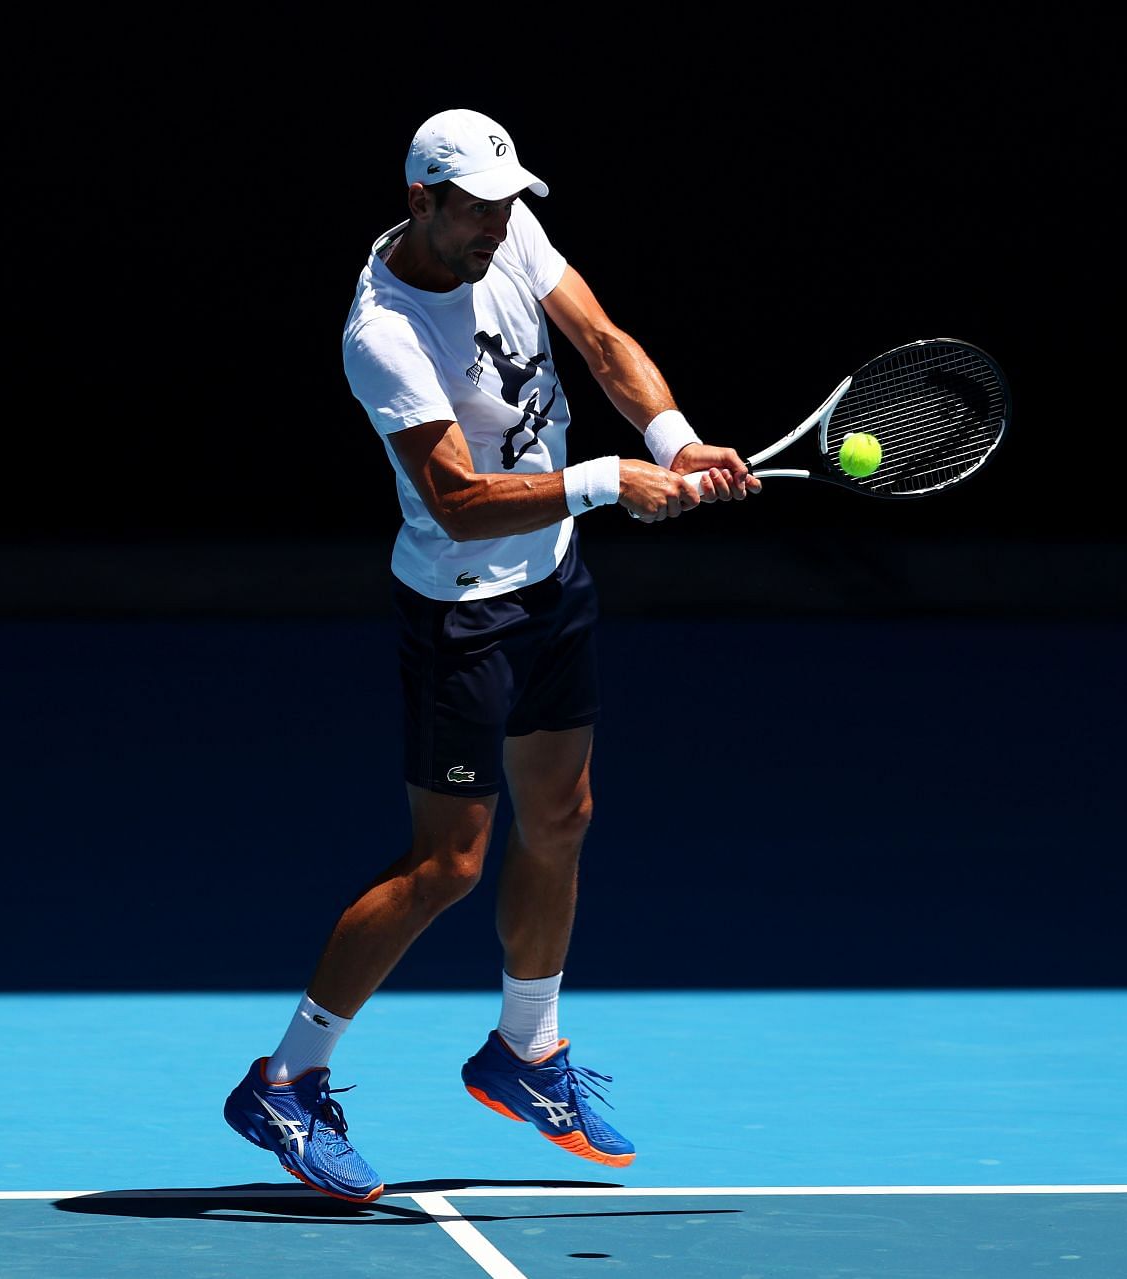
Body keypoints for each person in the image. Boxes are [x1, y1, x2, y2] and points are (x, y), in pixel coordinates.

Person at [222, 107, 757, 1203]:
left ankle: (526, 1052)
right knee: (446, 866)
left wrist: (672, 440)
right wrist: (610, 481)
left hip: (552, 584)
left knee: (563, 816)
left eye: (509, 204)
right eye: (476, 209)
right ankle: (285, 1078)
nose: (498, 227)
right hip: (461, 612)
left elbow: (603, 343)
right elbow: (459, 502)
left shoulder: (506, 234)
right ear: (421, 201)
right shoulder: (383, 331)